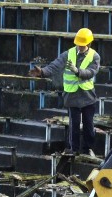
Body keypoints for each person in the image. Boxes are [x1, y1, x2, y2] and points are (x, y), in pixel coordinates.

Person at [28, 28, 100, 158]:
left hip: (88, 96)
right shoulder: (69, 54)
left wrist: (77, 70)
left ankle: (87, 149)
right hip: (72, 96)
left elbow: (91, 72)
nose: (80, 47)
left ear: (89, 44)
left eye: (83, 45)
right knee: (74, 125)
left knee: (89, 125)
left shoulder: (94, 56)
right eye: (78, 44)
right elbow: (55, 66)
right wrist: (42, 72)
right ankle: (74, 150)